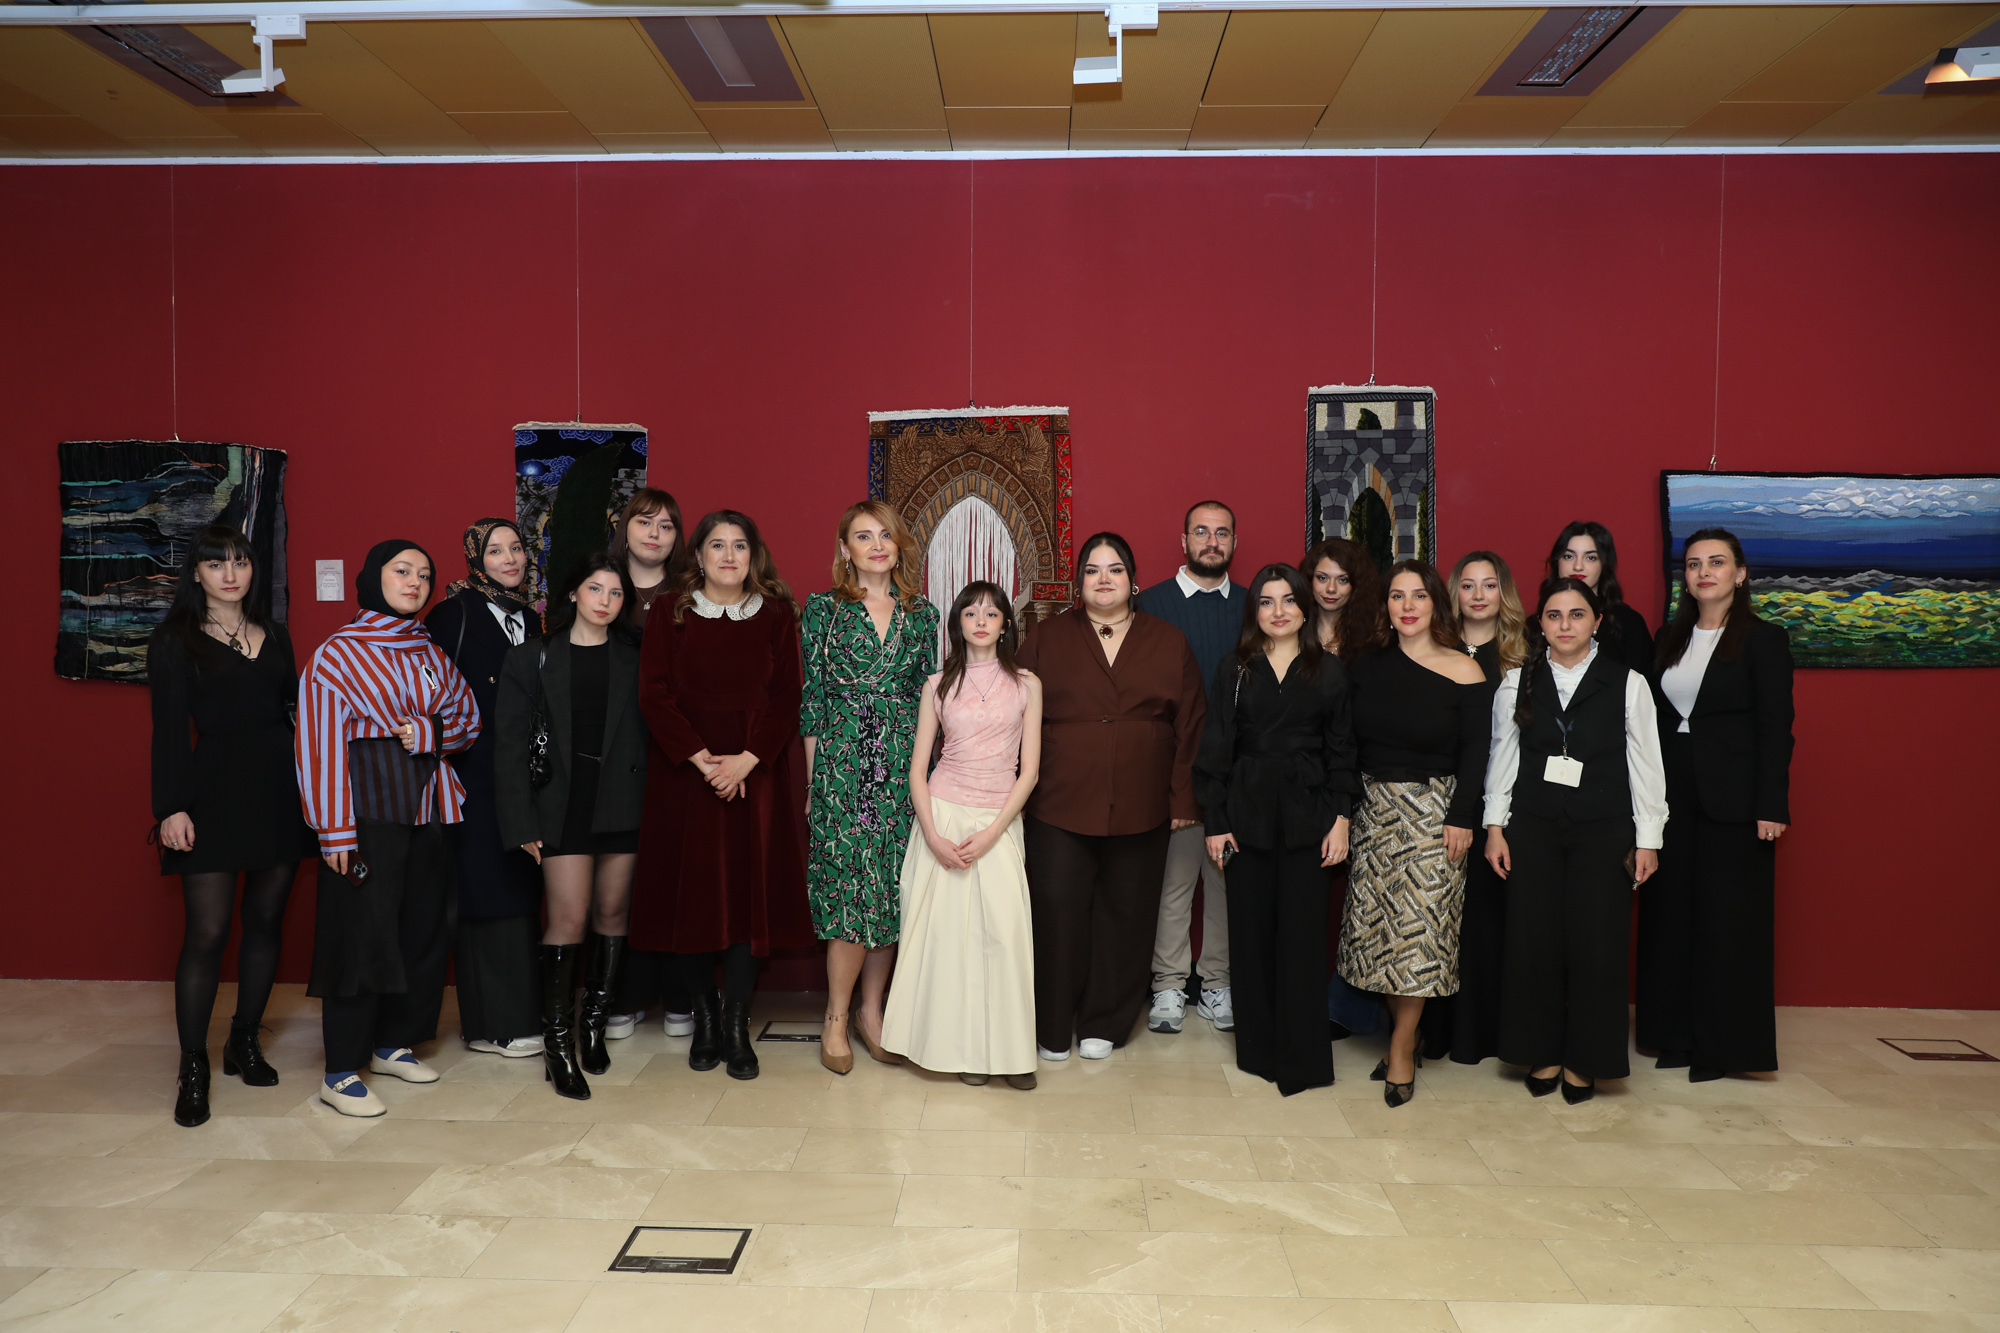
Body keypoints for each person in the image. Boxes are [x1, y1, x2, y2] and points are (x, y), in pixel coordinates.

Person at [297, 541, 479, 1117]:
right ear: (374, 578)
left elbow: (468, 718)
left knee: (421, 928)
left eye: (424, 574)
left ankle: (392, 1044)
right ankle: (339, 1071)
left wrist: (430, 733)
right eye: (402, 571)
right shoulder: (336, 654)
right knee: (361, 935)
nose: (415, 582)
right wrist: (334, 831)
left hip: (428, 808)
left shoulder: (428, 649)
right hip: (366, 810)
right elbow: (319, 745)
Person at [628, 511, 809, 1082]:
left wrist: (748, 760)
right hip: (686, 775)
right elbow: (653, 694)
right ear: (699, 556)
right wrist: (703, 760)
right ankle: (704, 1019)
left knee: (747, 901)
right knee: (694, 900)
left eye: (739, 546)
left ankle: (735, 1025)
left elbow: (787, 697)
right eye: (717, 545)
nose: (729, 556)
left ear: (754, 555)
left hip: (756, 775)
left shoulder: (776, 614)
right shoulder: (668, 612)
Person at [149, 525, 315, 1128]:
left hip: (278, 793)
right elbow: (169, 729)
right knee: (208, 932)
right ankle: (192, 1065)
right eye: (216, 563)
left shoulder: (276, 633)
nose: (229, 574)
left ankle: (244, 1039)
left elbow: (297, 713)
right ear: (196, 573)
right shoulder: (175, 638)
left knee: (265, 921)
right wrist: (170, 808)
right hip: (212, 793)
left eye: (240, 562)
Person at [1016, 533, 1206, 1061]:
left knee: (1126, 912)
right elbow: (1013, 714)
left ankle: (1105, 1020)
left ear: (1133, 581)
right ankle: (1052, 1025)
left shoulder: (1168, 640)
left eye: (1115, 569)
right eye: (1093, 570)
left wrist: (1182, 801)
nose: (1104, 579)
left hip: (1144, 803)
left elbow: (1191, 724)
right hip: (1058, 801)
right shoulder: (1047, 637)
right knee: (1057, 910)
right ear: (1078, 583)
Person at [1483, 578, 1668, 1103]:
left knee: (1598, 948)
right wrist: (1495, 827)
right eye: (1554, 615)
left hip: (1604, 832)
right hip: (1533, 830)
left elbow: (1647, 765)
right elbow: (1502, 757)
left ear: (1597, 622)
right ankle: (1541, 1051)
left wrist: (1649, 839)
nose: (1565, 625)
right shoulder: (1516, 682)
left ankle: (1586, 1061)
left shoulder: (1629, 683)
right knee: (1534, 944)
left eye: (1577, 614)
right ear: (1540, 624)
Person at [1638, 528, 1795, 1082]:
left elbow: (1777, 727)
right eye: (1694, 564)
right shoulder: (1669, 637)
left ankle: (1725, 1048)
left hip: (1737, 801)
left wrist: (1772, 804)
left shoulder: (1764, 639)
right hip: (1672, 795)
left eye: (1717, 562)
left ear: (1740, 574)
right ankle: (1673, 1036)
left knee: (1728, 923)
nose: (1704, 572)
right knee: (1671, 918)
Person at [1195, 564, 1357, 1096]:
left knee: (1303, 941)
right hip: (1245, 819)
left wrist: (1341, 821)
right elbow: (1215, 749)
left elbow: (1343, 753)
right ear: (1254, 612)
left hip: (1311, 820)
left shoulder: (1329, 671)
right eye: (1266, 602)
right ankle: (1257, 1050)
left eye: (1288, 600)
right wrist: (1216, 822)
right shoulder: (1234, 668)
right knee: (1251, 938)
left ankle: (1302, 1057)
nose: (1279, 611)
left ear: (1305, 610)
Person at [1338, 561, 1491, 1107]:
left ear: (1435, 604)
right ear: (1385, 606)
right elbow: (1344, 745)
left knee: (1421, 939)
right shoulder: (1363, 668)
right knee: (1380, 939)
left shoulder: (1464, 670)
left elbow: (1477, 753)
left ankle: (1402, 1046)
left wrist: (1463, 817)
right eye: (1397, 596)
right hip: (1374, 814)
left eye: (1418, 596)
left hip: (1435, 816)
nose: (1407, 606)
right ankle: (1408, 1031)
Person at [495, 556, 649, 1100]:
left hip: (622, 802)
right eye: (595, 588)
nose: (605, 600)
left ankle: (593, 1025)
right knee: (568, 917)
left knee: (612, 913)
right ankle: (557, 1044)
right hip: (560, 806)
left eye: (615, 592)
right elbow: (508, 748)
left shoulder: (636, 658)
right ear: (573, 594)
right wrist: (521, 822)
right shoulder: (530, 657)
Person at [881, 582, 1043, 1087]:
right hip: (944, 816)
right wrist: (931, 835)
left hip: (999, 819)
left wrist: (995, 831)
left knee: (1004, 939)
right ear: (957, 624)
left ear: (1006, 624)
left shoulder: (1028, 684)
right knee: (952, 944)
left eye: (991, 614)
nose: (981, 622)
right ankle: (964, 1054)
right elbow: (917, 769)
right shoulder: (937, 685)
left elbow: (1030, 772)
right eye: (970, 613)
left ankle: (1012, 1056)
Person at [801, 501, 939, 1069]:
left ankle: (872, 1012)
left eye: (886, 535)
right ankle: (835, 1016)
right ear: (845, 549)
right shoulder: (823, 610)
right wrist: (813, 784)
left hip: (902, 771)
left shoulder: (923, 614)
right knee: (848, 892)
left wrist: (926, 782)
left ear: (899, 544)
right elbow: (811, 700)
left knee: (890, 891)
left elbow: (931, 702)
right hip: (842, 767)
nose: (877, 545)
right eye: (863, 536)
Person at [425, 519, 544, 1062]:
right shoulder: (453, 614)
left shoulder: (530, 617)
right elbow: (433, 692)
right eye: (495, 551)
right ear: (476, 559)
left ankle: (520, 1013)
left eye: (516, 547)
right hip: (473, 772)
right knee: (484, 890)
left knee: (520, 889)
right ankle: (490, 1025)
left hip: (523, 773)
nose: (510, 558)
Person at [1136, 501, 1247, 1037]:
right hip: (1173, 772)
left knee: (1224, 885)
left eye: (1221, 533)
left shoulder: (1253, 606)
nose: (1211, 541)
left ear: (1234, 542)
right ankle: (1168, 985)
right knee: (1175, 884)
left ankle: (1217, 982)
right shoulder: (1150, 605)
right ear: (1183, 541)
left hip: (1235, 775)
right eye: (1201, 531)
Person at [1418, 549, 1531, 1065]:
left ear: (1503, 593)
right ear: (1454, 592)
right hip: (1440, 801)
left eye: (1489, 585)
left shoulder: (1524, 655)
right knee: (1437, 917)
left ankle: (1482, 1033)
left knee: (1486, 920)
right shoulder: (1432, 648)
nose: (1478, 595)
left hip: (1503, 806)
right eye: (1468, 585)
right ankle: (1432, 1032)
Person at [604, 489, 694, 1044]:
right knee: (622, 879)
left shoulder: (691, 593)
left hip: (678, 746)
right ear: (626, 528)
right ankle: (626, 994)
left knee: (676, 873)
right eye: (645, 522)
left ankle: (681, 995)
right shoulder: (601, 584)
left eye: (666, 525)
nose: (655, 533)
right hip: (615, 747)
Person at [1545, 521, 1653, 672]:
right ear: (1557, 562)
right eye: (1569, 556)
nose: (1578, 566)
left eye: (1590, 558)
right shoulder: (1535, 625)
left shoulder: (1628, 623)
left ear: (1604, 564)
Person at [1300, 537, 1384, 660]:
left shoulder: (1373, 636)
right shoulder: (1293, 632)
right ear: (1310, 580)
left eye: (1343, 580)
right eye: (1322, 578)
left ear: (1356, 585)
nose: (1331, 588)